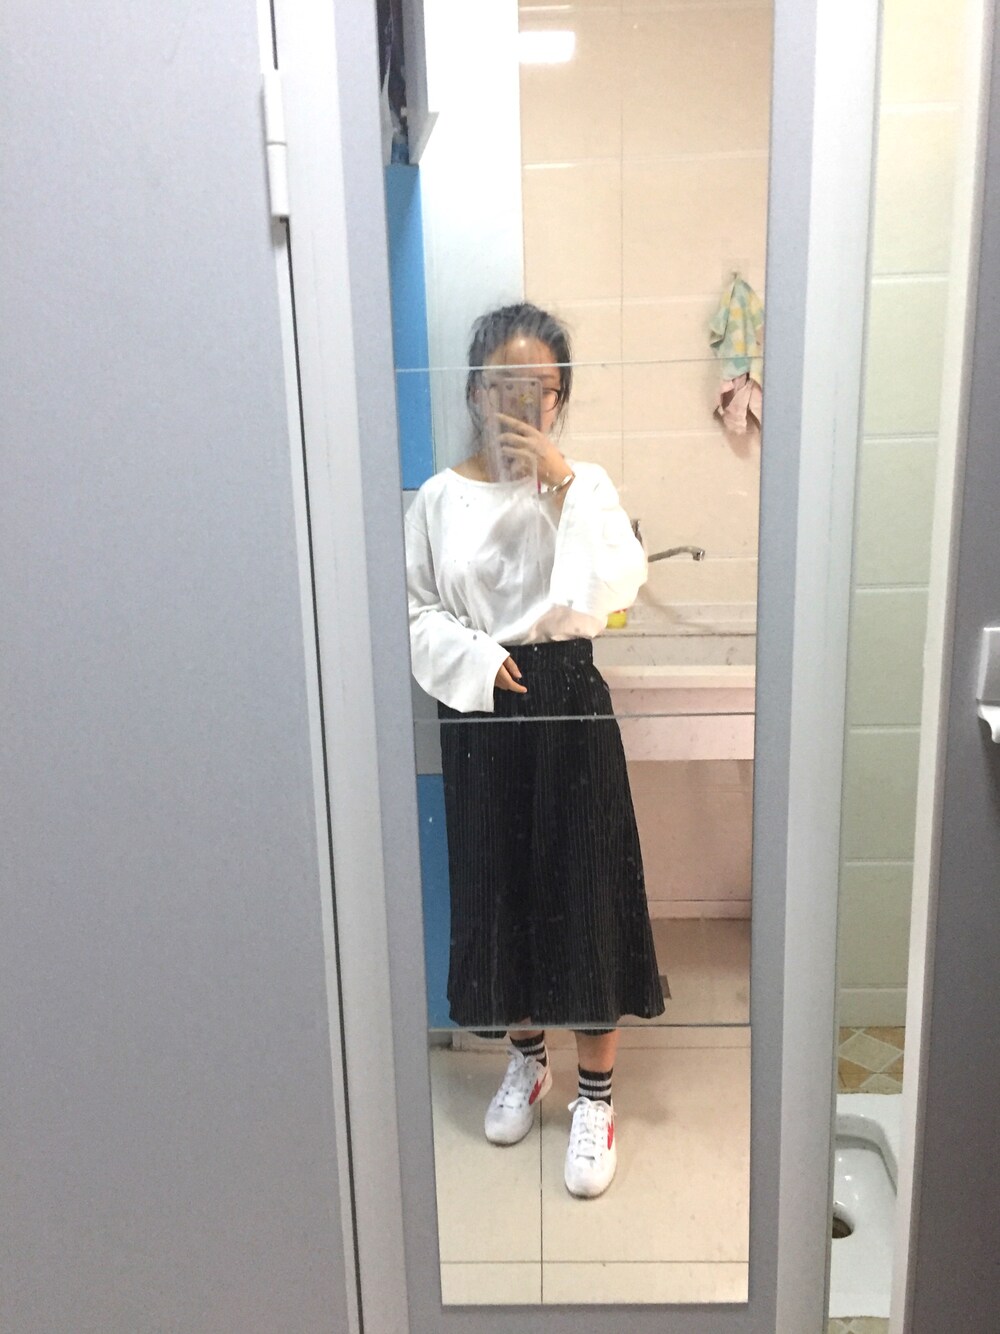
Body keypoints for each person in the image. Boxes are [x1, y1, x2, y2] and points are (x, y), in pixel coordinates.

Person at [405, 303, 666, 1199]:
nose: (520, 404)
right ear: (474, 394)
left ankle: (595, 1098)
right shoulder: (437, 498)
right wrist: (476, 660)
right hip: (483, 702)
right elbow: (416, 612)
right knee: (500, 888)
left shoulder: (585, 484)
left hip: (568, 697)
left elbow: (618, 586)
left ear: (560, 398)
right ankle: (527, 1061)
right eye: (503, 387)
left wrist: (563, 488)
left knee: (583, 887)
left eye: (540, 390)